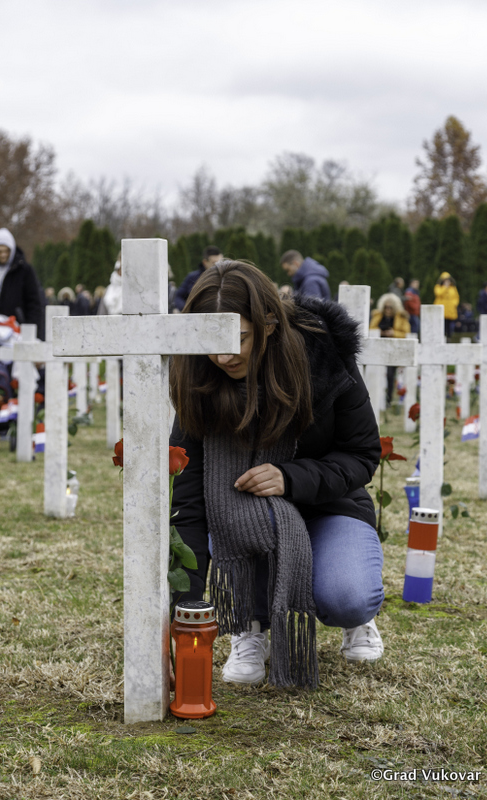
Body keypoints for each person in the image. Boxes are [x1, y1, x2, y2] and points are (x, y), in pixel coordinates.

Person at [169, 260, 384, 689]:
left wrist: (291, 478)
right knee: (232, 517)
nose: (223, 356)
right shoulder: (199, 380)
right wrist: (184, 611)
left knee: (347, 596)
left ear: (268, 323)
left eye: (239, 339)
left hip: (328, 506)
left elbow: (362, 454)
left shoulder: (323, 357)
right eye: (212, 342)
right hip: (242, 516)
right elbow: (189, 500)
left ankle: (358, 620)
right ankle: (249, 626)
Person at [369, 293, 411, 406]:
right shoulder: (377, 316)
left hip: (393, 351)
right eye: (386, 307)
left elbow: (406, 333)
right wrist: (380, 332)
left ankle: (388, 399)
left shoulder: (401, 317)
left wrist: (393, 333)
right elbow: (371, 329)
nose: (388, 310)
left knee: (390, 375)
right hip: (378, 350)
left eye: (390, 307)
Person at [173, 246, 224, 311]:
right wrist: (186, 309)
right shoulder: (192, 277)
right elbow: (178, 296)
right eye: (214, 263)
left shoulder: (225, 277)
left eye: (221, 262)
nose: (218, 266)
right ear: (205, 262)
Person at [434, 272, 459, 339]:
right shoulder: (438, 287)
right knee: (442, 324)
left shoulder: (453, 288)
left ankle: (449, 337)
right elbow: (438, 294)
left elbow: (456, 297)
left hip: (450, 310)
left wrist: (454, 304)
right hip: (441, 310)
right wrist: (445, 287)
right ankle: (442, 337)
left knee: (450, 325)